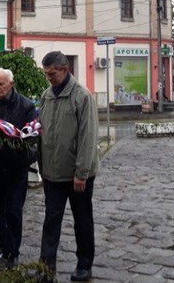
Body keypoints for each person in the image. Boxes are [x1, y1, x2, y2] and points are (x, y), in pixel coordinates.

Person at [38, 51, 99, 283]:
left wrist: (81, 173)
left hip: (77, 175)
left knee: (82, 220)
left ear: (65, 70)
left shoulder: (82, 97)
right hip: (52, 173)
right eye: (46, 75)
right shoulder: (46, 96)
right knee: (50, 221)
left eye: (52, 74)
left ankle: (84, 264)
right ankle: (46, 267)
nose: (49, 78)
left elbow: (88, 137)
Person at [0, 68, 36, 270]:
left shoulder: (26, 105)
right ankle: (0, 243)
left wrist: (21, 155)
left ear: (11, 83)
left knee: (13, 210)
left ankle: (13, 250)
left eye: (0, 84)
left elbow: (32, 138)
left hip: (15, 168)